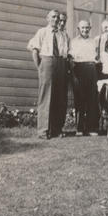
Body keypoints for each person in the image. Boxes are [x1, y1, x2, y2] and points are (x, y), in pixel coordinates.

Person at [27, 9, 69, 139]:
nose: (56, 20)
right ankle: (43, 131)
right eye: (53, 17)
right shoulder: (42, 32)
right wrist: (39, 67)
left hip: (61, 63)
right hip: (47, 61)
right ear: (47, 18)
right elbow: (34, 50)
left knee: (59, 96)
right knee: (46, 96)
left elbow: (66, 52)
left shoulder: (63, 34)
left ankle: (57, 129)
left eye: (57, 17)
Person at [69, 20, 99, 136]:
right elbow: (71, 56)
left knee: (92, 99)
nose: (85, 30)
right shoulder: (74, 42)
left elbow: (96, 56)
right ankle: (80, 128)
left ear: (90, 29)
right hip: (79, 69)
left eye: (87, 28)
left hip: (91, 68)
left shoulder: (93, 42)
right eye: (82, 28)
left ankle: (91, 128)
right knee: (80, 99)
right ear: (78, 29)